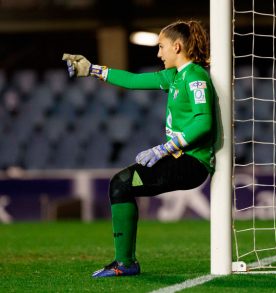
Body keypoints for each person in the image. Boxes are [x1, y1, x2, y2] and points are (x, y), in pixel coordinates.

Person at [63, 19, 218, 278]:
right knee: (120, 184)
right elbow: (133, 81)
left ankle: (125, 264)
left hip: (191, 162)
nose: (158, 53)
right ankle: (124, 262)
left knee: (121, 183)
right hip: (180, 157)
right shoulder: (175, 76)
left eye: (161, 47)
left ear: (177, 47)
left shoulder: (195, 77)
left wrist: (164, 148)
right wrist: (93, 70)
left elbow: (204, 122)